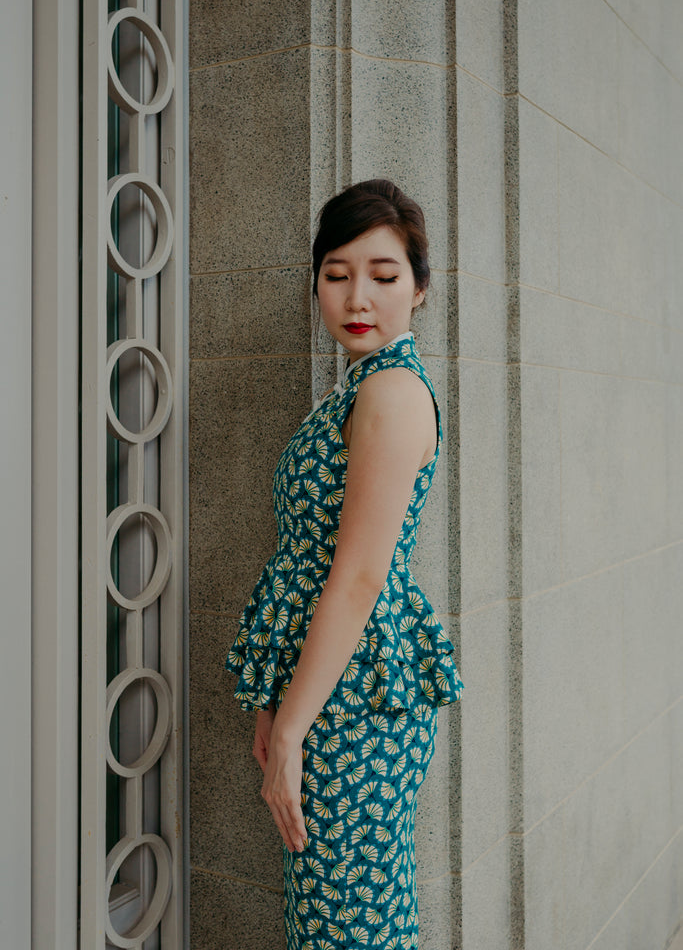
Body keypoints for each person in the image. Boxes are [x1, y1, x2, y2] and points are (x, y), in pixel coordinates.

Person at [226, 178, 464, 949]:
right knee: (330, 914)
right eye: (335, 274)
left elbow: (358, 576)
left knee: (349, 926)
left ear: (419, 290)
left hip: (355, 703)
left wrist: (292, 728)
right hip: (329, 691)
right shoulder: (356, 390)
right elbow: (307, 563)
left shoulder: (391, 392)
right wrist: (279, 706)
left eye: (383, 275)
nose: (356, 295)